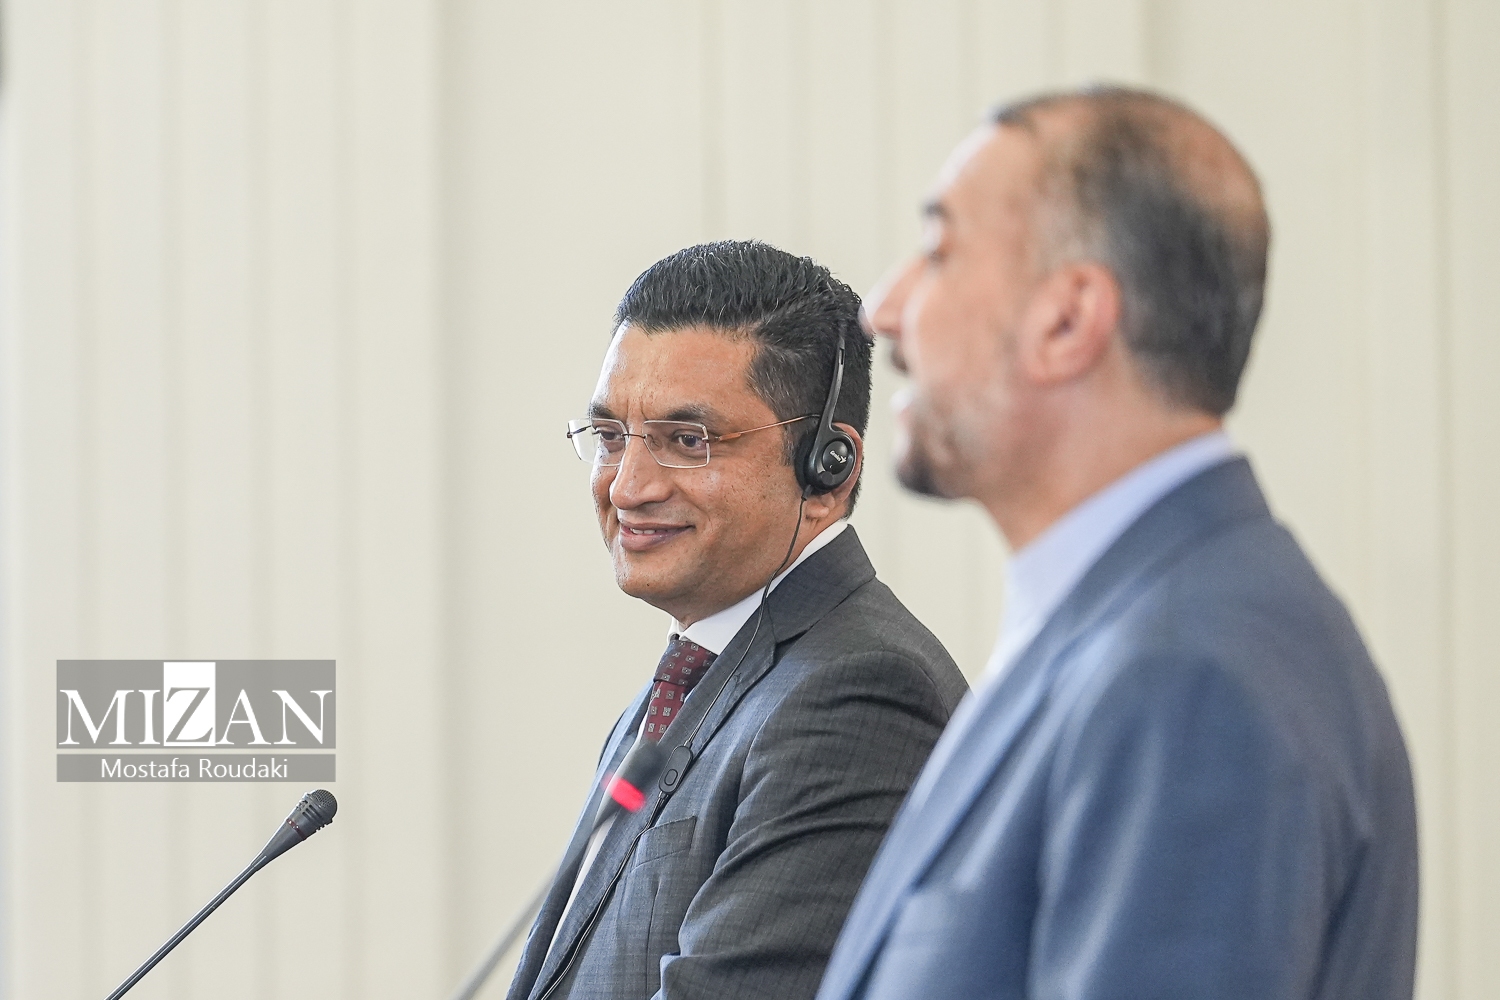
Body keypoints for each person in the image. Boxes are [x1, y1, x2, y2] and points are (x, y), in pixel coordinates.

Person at [816, 87, 1418, 1000]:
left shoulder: (1187, 677)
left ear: (1068, 321)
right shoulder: (1147, 629)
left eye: (939, 252)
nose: (884, 309)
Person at [507, 241, 968, 1000]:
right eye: (611, 437)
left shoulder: (857, 694)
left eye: (687, 442)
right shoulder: (686, 683)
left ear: (827, 470)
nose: (626, 487)